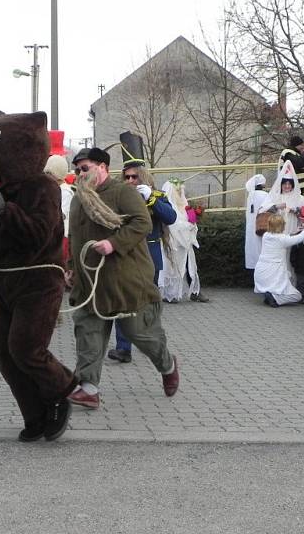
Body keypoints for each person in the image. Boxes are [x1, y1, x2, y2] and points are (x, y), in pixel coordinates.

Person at [0, 111, 76, 443]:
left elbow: (41, 234)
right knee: (4, 352)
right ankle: (35, 414)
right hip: (6, 281)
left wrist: (5, 209)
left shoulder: (44, 187)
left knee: (25, 347)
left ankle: (63, 390)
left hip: (39, 278)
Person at [66, 147, 179, 410]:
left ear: (102, 167)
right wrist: (71, 266)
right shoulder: (78, 199)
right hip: (90, 283)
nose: (80, 174)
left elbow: (142, 223)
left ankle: (168, 365)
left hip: (125, 280)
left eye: (85, 169)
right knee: (88, 332)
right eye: (77, 170)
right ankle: (89, 389)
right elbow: (75, 236)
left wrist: (113, 244)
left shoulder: (122, 193)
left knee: (139, 333)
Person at [108, 132, 177, 363]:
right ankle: (123, 348)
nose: (130, 181)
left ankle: (153, 344)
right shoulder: (117, 197)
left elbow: (171, 218)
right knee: (122, 302)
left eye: (134, 177)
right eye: (126, 177)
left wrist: (152, 200)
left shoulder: (155, 195)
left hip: (149, 257)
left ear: (143, 177)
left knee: (147, 305)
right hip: (125, 257)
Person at [159, 179, 209, 303]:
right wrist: (188, 226)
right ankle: (170, 294)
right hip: (173, 243)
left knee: (190, 267)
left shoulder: (184, 205)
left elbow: (189, 221)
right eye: (177, 190)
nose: (180, 193)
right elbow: (173, 224)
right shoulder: (168, 206)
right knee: (172, 268)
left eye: (181, 190)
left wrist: (193, 223)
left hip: (185, 243)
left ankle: (194, 292)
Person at [254, 212, 304, 307]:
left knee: (286, 279)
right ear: (281, 226)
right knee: (297, 296)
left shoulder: (266, 236)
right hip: (274, 273)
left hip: (261, 272)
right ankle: (274, 298)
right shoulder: (282, 240)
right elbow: (301, 237)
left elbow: (282, 238)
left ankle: (270, 296)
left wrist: (293, 233)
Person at [44, 154, 73, 262]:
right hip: (51, 235)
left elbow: (61, 215)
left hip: (62, 236)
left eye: (49, 173)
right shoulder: (51, 189)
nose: (46, 176)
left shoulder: (65, 192)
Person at [244, 174, 269, 270]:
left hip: (251, 229)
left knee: (253, 251)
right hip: (262, 227)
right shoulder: (265, 195)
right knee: (262, 251)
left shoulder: (250, 196)